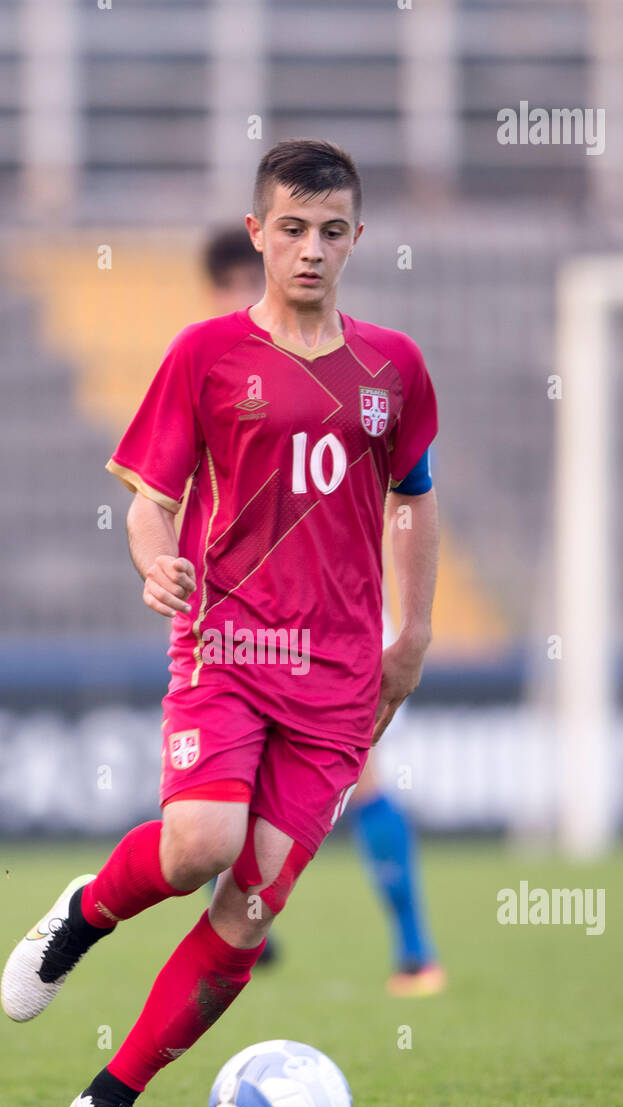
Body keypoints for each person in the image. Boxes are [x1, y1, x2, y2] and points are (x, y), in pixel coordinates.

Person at [0, 138, 440, 1107]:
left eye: (331, 232)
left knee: (244, 915)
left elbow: (415, 506)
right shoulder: (204, 356)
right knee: (198, 844)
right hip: (228, 645)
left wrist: (408, 637)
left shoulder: (395, 369)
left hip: (337, 683)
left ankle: (108, 1096)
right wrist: (157, 564)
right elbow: (150, 505)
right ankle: (83, 916)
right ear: (259, 233)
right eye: (291, 230)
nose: (310, 250)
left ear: (356, 240)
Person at [201, 226, 445, 996]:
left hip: (325, 617)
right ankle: (248, 928)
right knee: (220, 797)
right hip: (236, 622)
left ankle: (412, 949)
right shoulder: (212, 371)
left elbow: (407, 487)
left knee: (357, 780)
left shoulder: (345, 374)